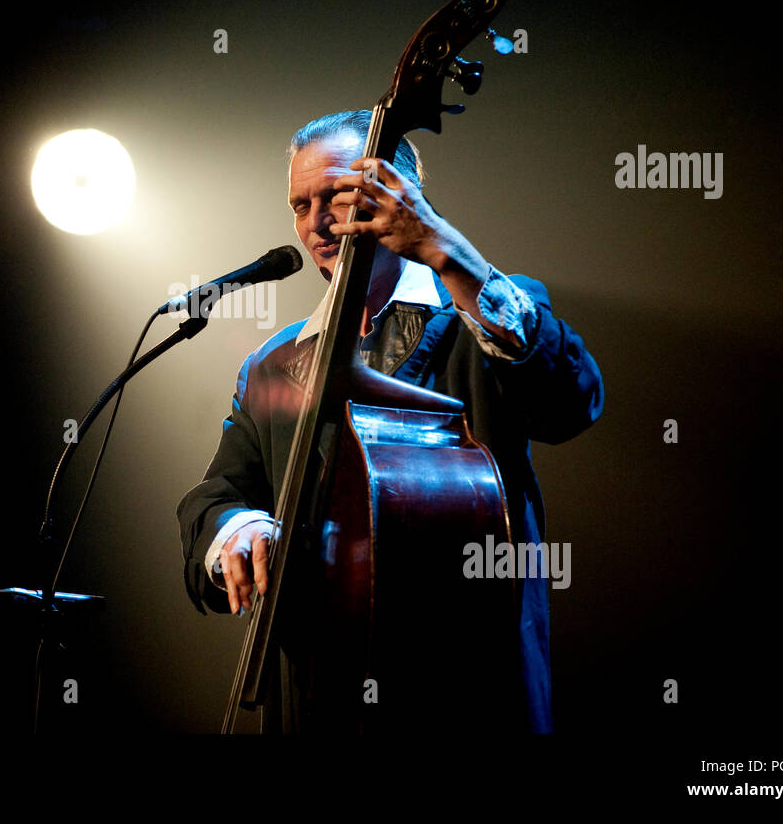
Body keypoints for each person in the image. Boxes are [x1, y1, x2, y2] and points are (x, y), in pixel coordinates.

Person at [175, 109, 604, 732]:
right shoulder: (274, 364)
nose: (315, 224)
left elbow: (572, 401)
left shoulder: (482, 310)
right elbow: (214, 497)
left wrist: (445, 251)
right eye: (300, 204)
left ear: (399, 199)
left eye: (337, 196)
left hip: (468, 696)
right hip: (319, 698)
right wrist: (236, 529)